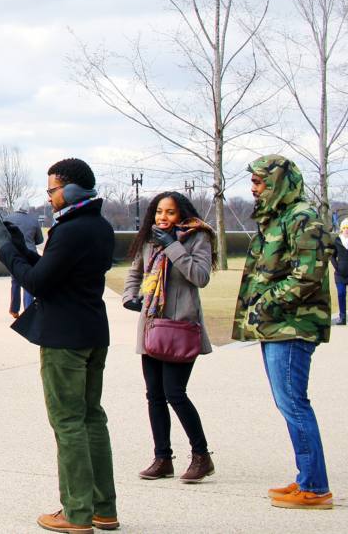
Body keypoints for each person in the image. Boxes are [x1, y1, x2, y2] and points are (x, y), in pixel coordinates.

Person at [0, 158, 118, 533]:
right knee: (92, 418)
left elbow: (38, 283)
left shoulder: (71, 230)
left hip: (65, 338)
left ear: (73, 190)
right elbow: (55, 271)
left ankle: (76, 513)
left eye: (52, 190)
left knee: (68, 423)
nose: (49, 198)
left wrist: (6, 252)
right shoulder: (100, 226)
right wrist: (22, 247)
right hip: (93, 331)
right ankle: (103, 509)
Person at [235, 155, 336, 510]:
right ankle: (308, 479)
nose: (254, 188)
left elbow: (307, 275)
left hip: (294, 326)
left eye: (260, 182)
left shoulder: (303, 218)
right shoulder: (277, 218)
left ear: (278, 182)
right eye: (253, 182)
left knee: (294, 403)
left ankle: (315, 487)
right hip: (277, 326)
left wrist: (265, 304)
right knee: (289, 403)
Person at [120, 191, 215, 484]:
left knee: (175, 393)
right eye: (159, 212)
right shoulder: (149, 240)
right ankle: (162, 458)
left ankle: (202, 456)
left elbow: (200, 276)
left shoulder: (198, 237)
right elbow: (135, 273)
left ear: (182, 214)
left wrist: (173, 246)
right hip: (151, 324)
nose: (163, 218)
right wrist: (129, 297)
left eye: (170, 213)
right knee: (154, 396)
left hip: (180, 327)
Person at [0, 208, 44, 319]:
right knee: (29, 283)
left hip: (15, 253)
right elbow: (40, 240)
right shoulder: (33, 220)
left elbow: (3, 236)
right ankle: (28, 310)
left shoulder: (8, 218)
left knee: (15, 281)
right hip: (30, 253)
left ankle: (14, 310)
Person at [336, 219, 348, 327]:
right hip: (340, 274)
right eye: (344, 228)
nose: (346, 230)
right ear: (341, 230)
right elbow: (332, 255)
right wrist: (337, 266)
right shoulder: (337, 240)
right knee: (341, 293)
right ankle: (342, 317)